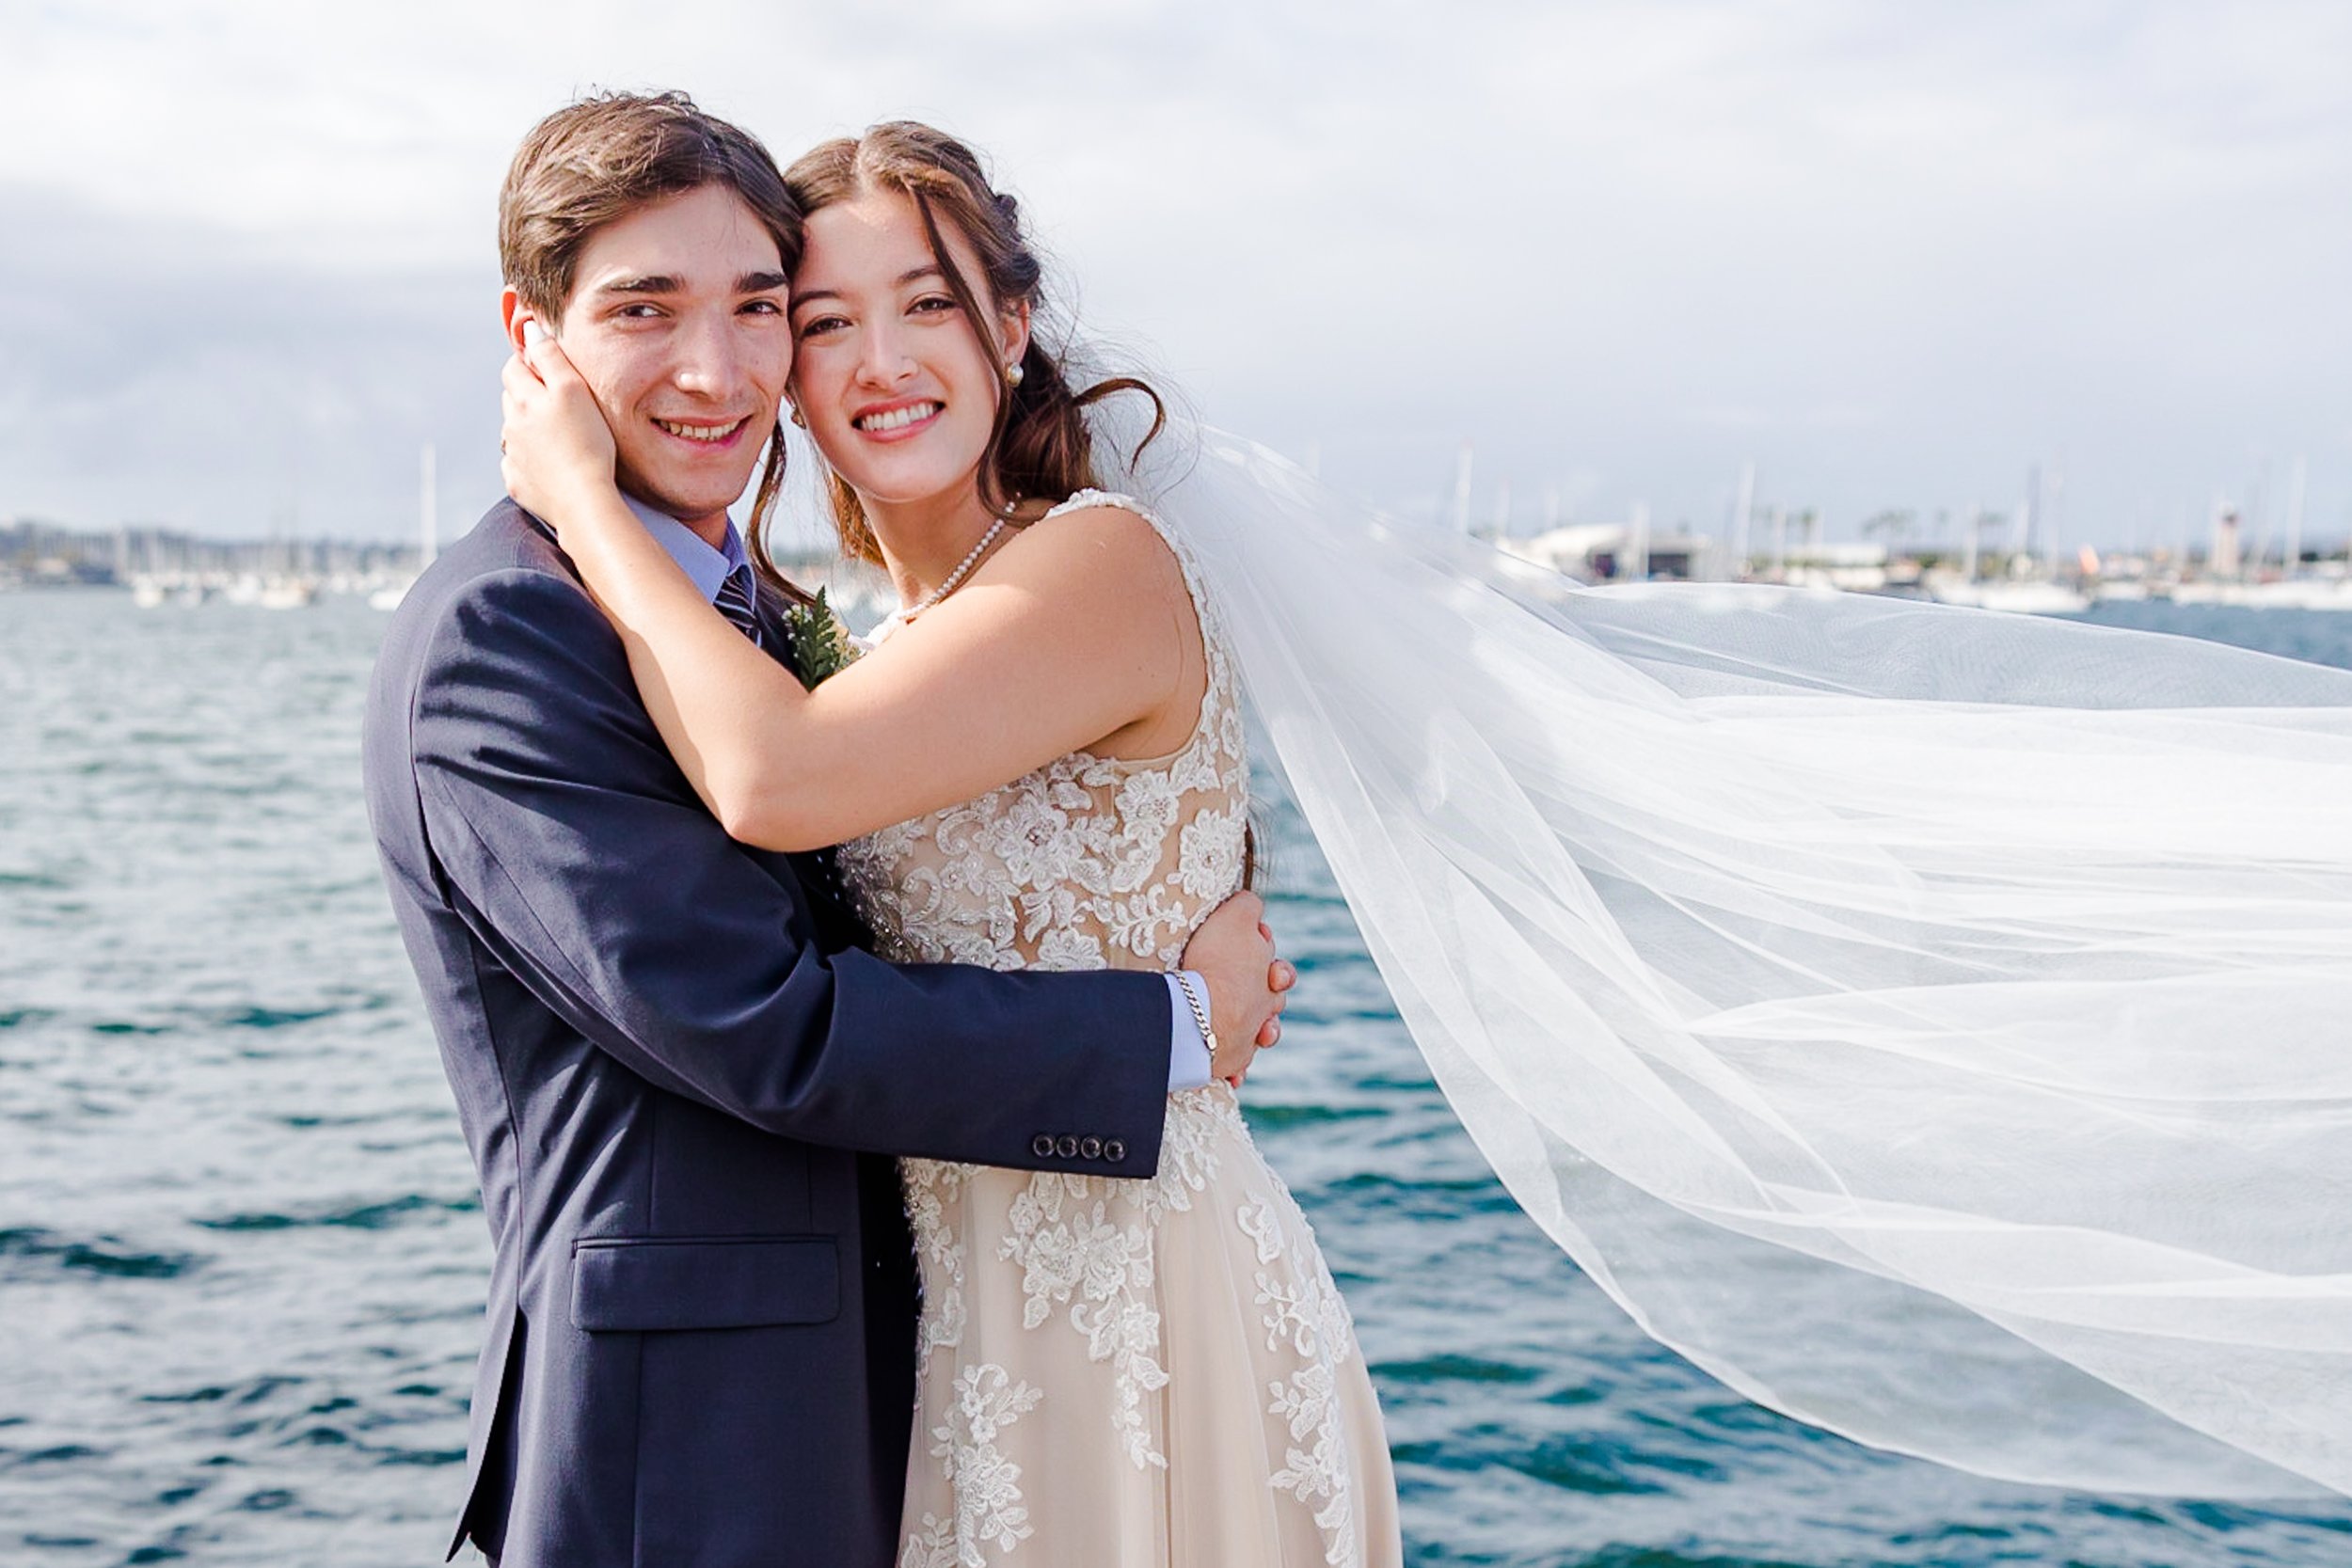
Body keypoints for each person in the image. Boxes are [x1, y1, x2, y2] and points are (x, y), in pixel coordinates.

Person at [362, 93, 1295, 1568]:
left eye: (754, 309)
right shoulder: (510, 632)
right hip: (694, 1431)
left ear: (1012, 324)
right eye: (644, 311)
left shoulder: (789, 619)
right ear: (532, 338)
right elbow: (763, 1025)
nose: (713, 368)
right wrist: (1166, 1024)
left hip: (1028, 1335)